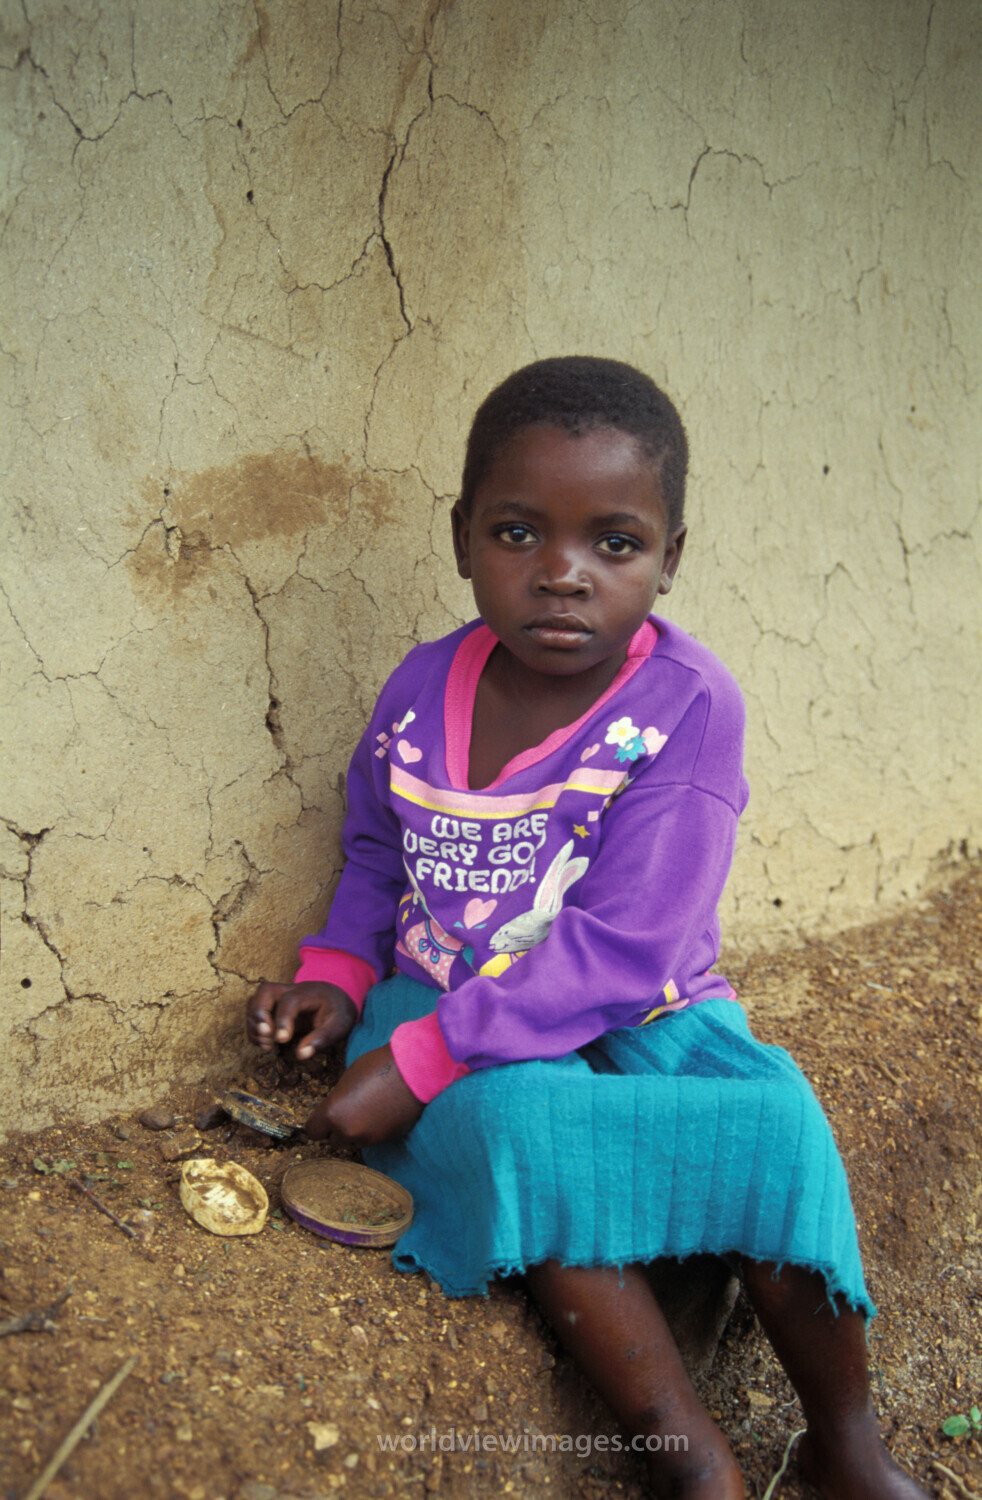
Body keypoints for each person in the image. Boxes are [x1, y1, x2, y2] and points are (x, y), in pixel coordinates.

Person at [247, 357, 926, 1499]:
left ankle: (846, 1443)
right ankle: (686, 1456)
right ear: (462, 537)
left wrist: (416, 1064)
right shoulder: (418, 690)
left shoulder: (687, 707)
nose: (562, 576)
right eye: (518, 533)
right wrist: (340, 977)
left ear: (670, 557)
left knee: (778, 1119)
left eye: (614, 544)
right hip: (453, 987)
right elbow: (378, 849)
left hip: (639, 1004)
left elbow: (629, 949)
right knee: (524, 1123)